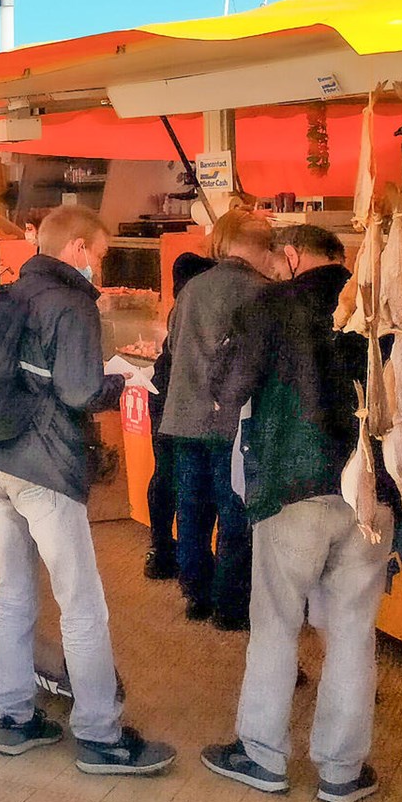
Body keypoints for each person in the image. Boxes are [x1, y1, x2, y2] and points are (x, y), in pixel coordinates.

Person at [0, 204, 174, 775]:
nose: (101, 267)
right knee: (81, 603)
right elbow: (80, 389)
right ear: (78, 249)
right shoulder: (72, 304)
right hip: (47, 466)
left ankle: (14, 717)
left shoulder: (8, 292)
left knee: (13, 594)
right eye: (100, 254)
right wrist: (124, 382)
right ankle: (99, 735)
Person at [200, 224, 386, 802]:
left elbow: (227, 386)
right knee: (353, 630)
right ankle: (342, 772)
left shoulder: (271, 307)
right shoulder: (383, 308)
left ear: (291, 256)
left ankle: (261, 755)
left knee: (276, 623)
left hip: (291, 486)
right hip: (372, 490)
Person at [161, 211, 277, 629]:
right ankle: (230, 605)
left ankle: (196, 593)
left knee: (191, 510)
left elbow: (172, 345)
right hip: (233, 422)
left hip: (184, 416)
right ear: (262, 249)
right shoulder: (262, 293)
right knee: (234, 514)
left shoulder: (193, 288)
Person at [142, 250, 218, 580]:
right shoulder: (197, 307)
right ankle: (190, 560)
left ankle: (161, 549)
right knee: (191, 483)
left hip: (162, 394)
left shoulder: (180, 308)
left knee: (165, 475)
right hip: (185, 402)